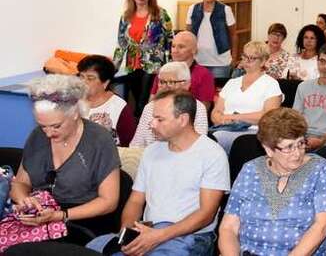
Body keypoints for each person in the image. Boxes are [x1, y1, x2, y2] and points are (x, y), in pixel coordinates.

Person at [87, 91, 230, 256]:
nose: (152, 124)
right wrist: (126, 234)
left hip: (190, 235)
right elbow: (135, 201)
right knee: (92, 248)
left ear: (183, 119)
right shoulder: (152, 151)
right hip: (148, 229)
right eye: (153, 118)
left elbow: (206, 214)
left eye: (160, 119)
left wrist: (158, 236)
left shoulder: (212, 154)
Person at [10, 75, 120, 239]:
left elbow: (109, 202)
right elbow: (21, 183)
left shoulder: (99, 140)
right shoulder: (37, 136)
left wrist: (61, 215)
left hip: (83, 222)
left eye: (56, 126)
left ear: (75, 113)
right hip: (42, 216)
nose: (48, 133)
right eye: (43, 126)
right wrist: (25, 201)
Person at [218, 108, 326, 256]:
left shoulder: (319, 168)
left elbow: (322, 225)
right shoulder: (250, 169)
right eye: (289, 147)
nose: (297, 153)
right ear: (268, 149)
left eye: (301, 143)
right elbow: (228, 227)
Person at [113, 0, 173, 117]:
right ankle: (140, 126)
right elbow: (121, 44)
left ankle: (144, 127)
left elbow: (170, 39)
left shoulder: (160, 14)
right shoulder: (126, 16)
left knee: (144, 102)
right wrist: (113, 68)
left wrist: (169, 65)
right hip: (132, 65)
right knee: (136, 100)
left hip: (153, 65)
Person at [211, 42, 283, 153]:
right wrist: (221, 119)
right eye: (245, 56)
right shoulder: (232, 83)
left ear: (263, 61)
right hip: (225, 128)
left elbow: (268, 117)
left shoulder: (270, 84)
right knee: (207, 139)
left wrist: (233, 117)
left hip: (254, 132)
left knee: (216, 140)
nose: (246, 61)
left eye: (252, 58)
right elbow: (215, 112)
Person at [130, 62, 209, 148]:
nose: (165, 86)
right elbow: (137, 144)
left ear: (186, 84)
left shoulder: (198, 108)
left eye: (171, 82)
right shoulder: (150, 107)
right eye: (162, 82)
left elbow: (199, 145)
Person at [185, 0, 238, 81]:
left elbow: (233, 35)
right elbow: (187, 35)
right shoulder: (192, 9)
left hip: (221, 63)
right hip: (198, 61)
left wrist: (234, 58)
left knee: (218, 90)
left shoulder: (226, 10)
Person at [149, 31, 216, 112]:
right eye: (173, 46)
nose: (175, 51)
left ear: (194, 50)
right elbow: (151, 103)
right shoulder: (165, 71)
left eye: (181, 47)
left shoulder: (204, 74)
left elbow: (204, 108)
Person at [78, 55, 137, 146]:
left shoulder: (119, 106)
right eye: (81, 77)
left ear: (105, 83)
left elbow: (130, 144)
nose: (83, 82)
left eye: (90, 78)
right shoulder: (71, 101)